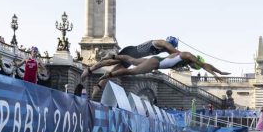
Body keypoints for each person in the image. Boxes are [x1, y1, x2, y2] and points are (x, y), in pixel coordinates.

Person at [81, 36, 180, 97]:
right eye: (172, 47)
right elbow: (175, 52)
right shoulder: (161, 42)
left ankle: (97, 87)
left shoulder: (163, 49)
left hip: (132, 58)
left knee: (112, 74)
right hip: (130, 51)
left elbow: (171, 57)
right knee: (109, 62)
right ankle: (89, 70)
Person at [98, 51, 230, 82]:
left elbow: (207, 65)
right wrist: (215, 75)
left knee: (132, 60)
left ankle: (112, 56)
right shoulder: (188, 56)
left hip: (156, 61)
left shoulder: (186, 59)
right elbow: (204, 65)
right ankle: (108, 75)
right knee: (132, 71)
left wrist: (220, 71)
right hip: (156, 63)